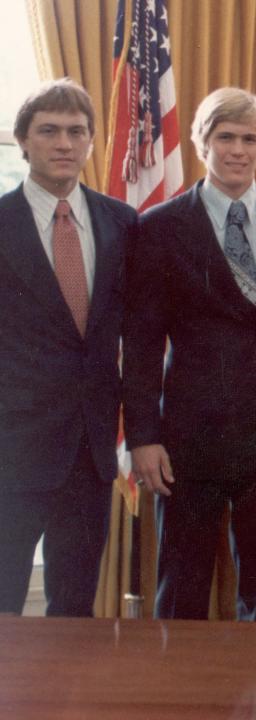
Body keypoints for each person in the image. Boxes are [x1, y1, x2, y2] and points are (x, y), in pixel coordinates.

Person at [122, 87, 256, 621]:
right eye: (225, 137)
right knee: (182, 586)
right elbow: (141, 344)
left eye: (250, 138)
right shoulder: (158, 228)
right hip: (190, 438)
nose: (238, 149)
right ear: (200, 143)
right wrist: (143, 437)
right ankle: (178, 700)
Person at [0, 79, 137, 617]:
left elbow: (137, 334)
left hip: (91, 447)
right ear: (23, 141)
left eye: (76, 132)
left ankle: (65, 705)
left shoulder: (122, 223)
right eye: (49, 131)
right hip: (12, 447)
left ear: (90, 142)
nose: (64, 143)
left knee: (75, 607)